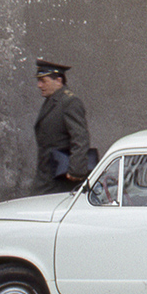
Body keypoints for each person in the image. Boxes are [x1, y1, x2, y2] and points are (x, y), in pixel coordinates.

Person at [33, 59, 92, 195]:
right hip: (47, 174)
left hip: (61, 178)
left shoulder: (70, 102)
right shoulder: (52, 100)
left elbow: (80, 137)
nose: (39, 85)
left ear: (58, 80)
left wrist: (76, 170)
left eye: (43, 81)